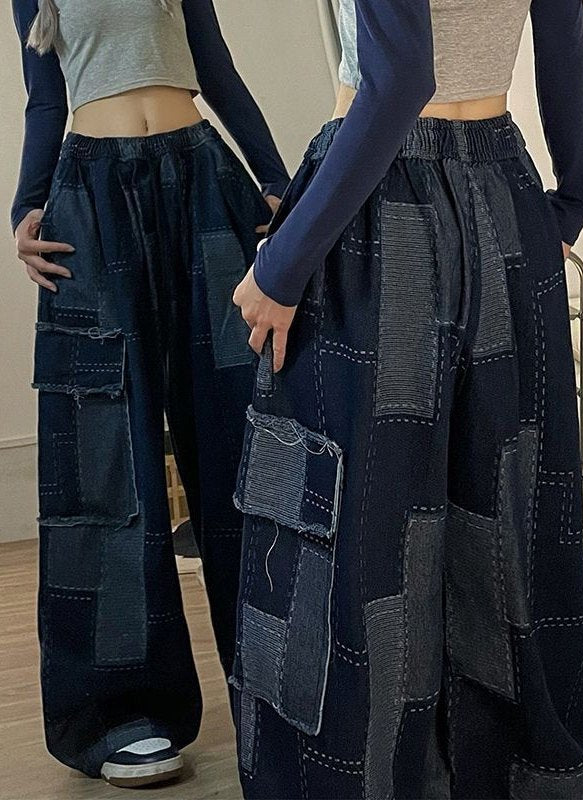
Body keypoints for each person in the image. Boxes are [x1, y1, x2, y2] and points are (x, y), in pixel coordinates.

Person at [232, 0, 583, 796]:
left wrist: (281, 267)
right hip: (503, 190)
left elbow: (399, 79)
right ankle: (512, 771)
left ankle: (367, 778)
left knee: (357, 531)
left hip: (377, 204)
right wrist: (572, 196)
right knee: (504, 510)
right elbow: (562, 29)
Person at [11, 0, 289, 788]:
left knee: (246, 435)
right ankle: (123, 712)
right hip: (91, 199)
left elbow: (217, 70)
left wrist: (277, 182)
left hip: (201, 182)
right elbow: (45, 97)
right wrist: (25, 206)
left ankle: (279, 685)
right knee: (105, 458)